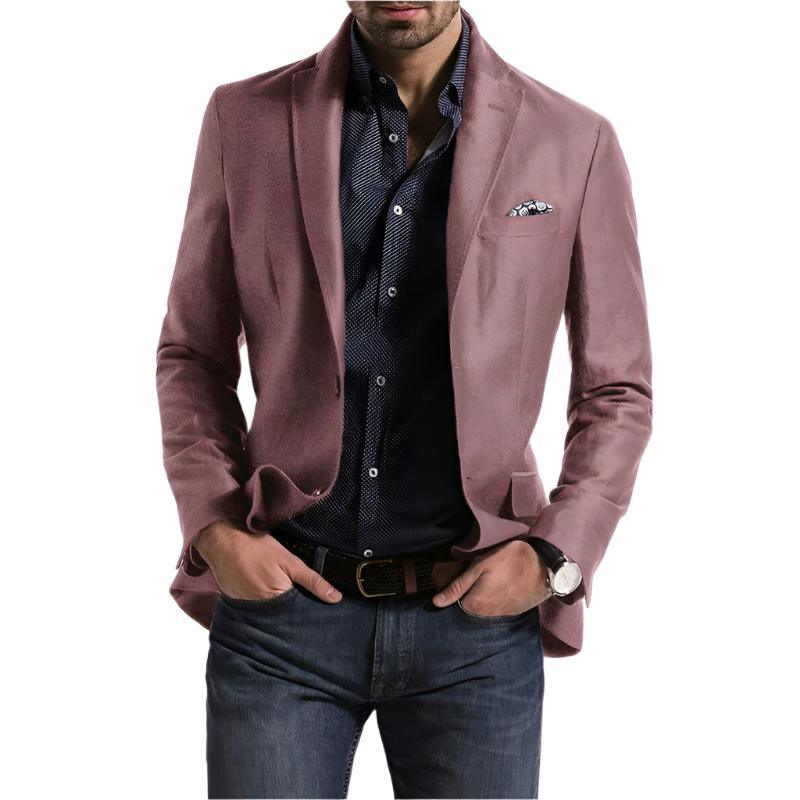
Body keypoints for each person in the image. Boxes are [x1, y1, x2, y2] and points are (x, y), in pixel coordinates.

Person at [155, 2, 653, 797]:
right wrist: (214, 526)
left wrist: (556, 557)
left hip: (477, 623)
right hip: (283, 613)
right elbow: (192, 353)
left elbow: (617, 388)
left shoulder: (573, 140)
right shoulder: (244, 120)